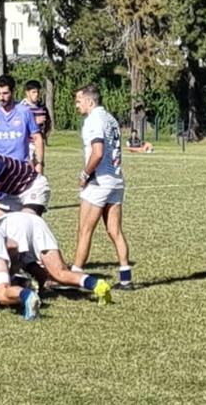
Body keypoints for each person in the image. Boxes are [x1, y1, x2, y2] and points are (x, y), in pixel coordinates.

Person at [71, 84, 134, 289]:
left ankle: (75, 275)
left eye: (79, 101)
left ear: (90, 101)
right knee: (114, 230)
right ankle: (125, 277)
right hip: (116, 180)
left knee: (84, 230)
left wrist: (84, 174)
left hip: (100, 181)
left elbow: (97, 152)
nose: (76, 105)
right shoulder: (111, 119)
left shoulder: (94, 120)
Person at [0, 74, 45, 172]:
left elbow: (37, 138)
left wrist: (39, 163)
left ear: (13, 92)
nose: (1, 97)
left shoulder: (25, 112)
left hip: (21, 168)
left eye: (5, 93)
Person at [21, 80, 52, 146]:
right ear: (27, 93)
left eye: (38, 92)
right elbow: (18, 125)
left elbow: (48, 122)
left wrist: (44, 135)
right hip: (26, 144)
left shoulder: (42, 107)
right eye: (33, 92)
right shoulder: (21, 108)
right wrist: (34, 122)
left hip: (39, 143)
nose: (36, 94)